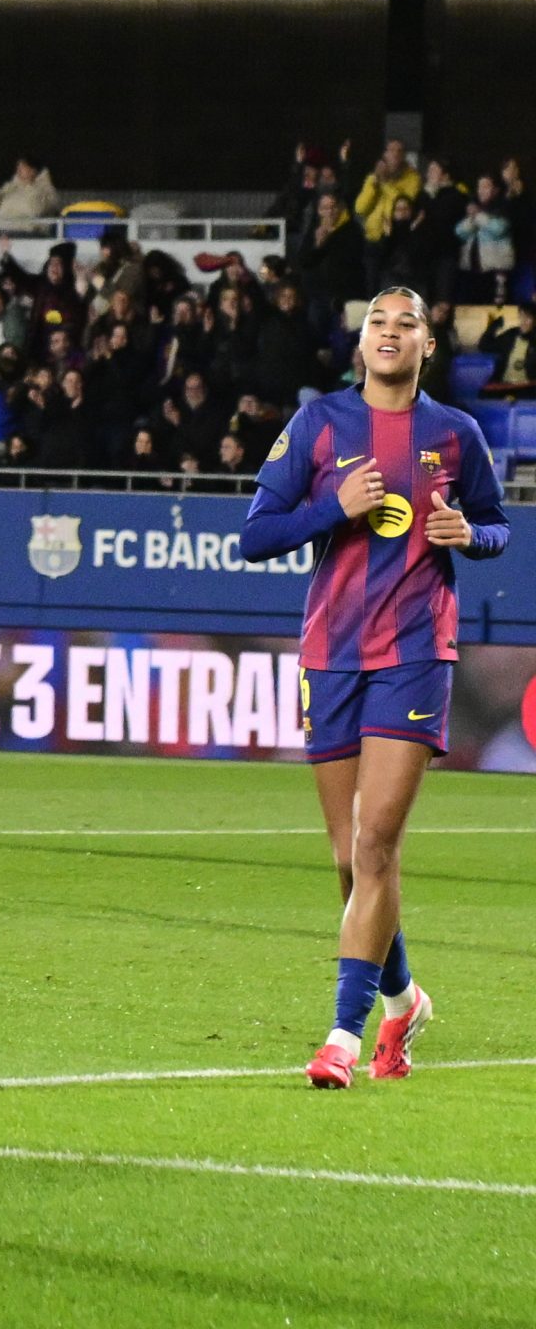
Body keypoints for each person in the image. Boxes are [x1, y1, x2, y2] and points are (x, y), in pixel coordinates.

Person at [239, 287, 508, 1089]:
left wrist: (472, 534)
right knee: (349, 862)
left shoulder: (457, 436)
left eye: (407, 324)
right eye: (376, 324)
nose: (390, 334)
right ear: (360, 345)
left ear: (429, 346)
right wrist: (333, 506)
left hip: (418, 653)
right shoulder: (320, 424)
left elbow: (494, 523)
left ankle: (341, 1038)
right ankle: (403, 999)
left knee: (377, 843)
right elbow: (256, 535)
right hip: (333, 654)